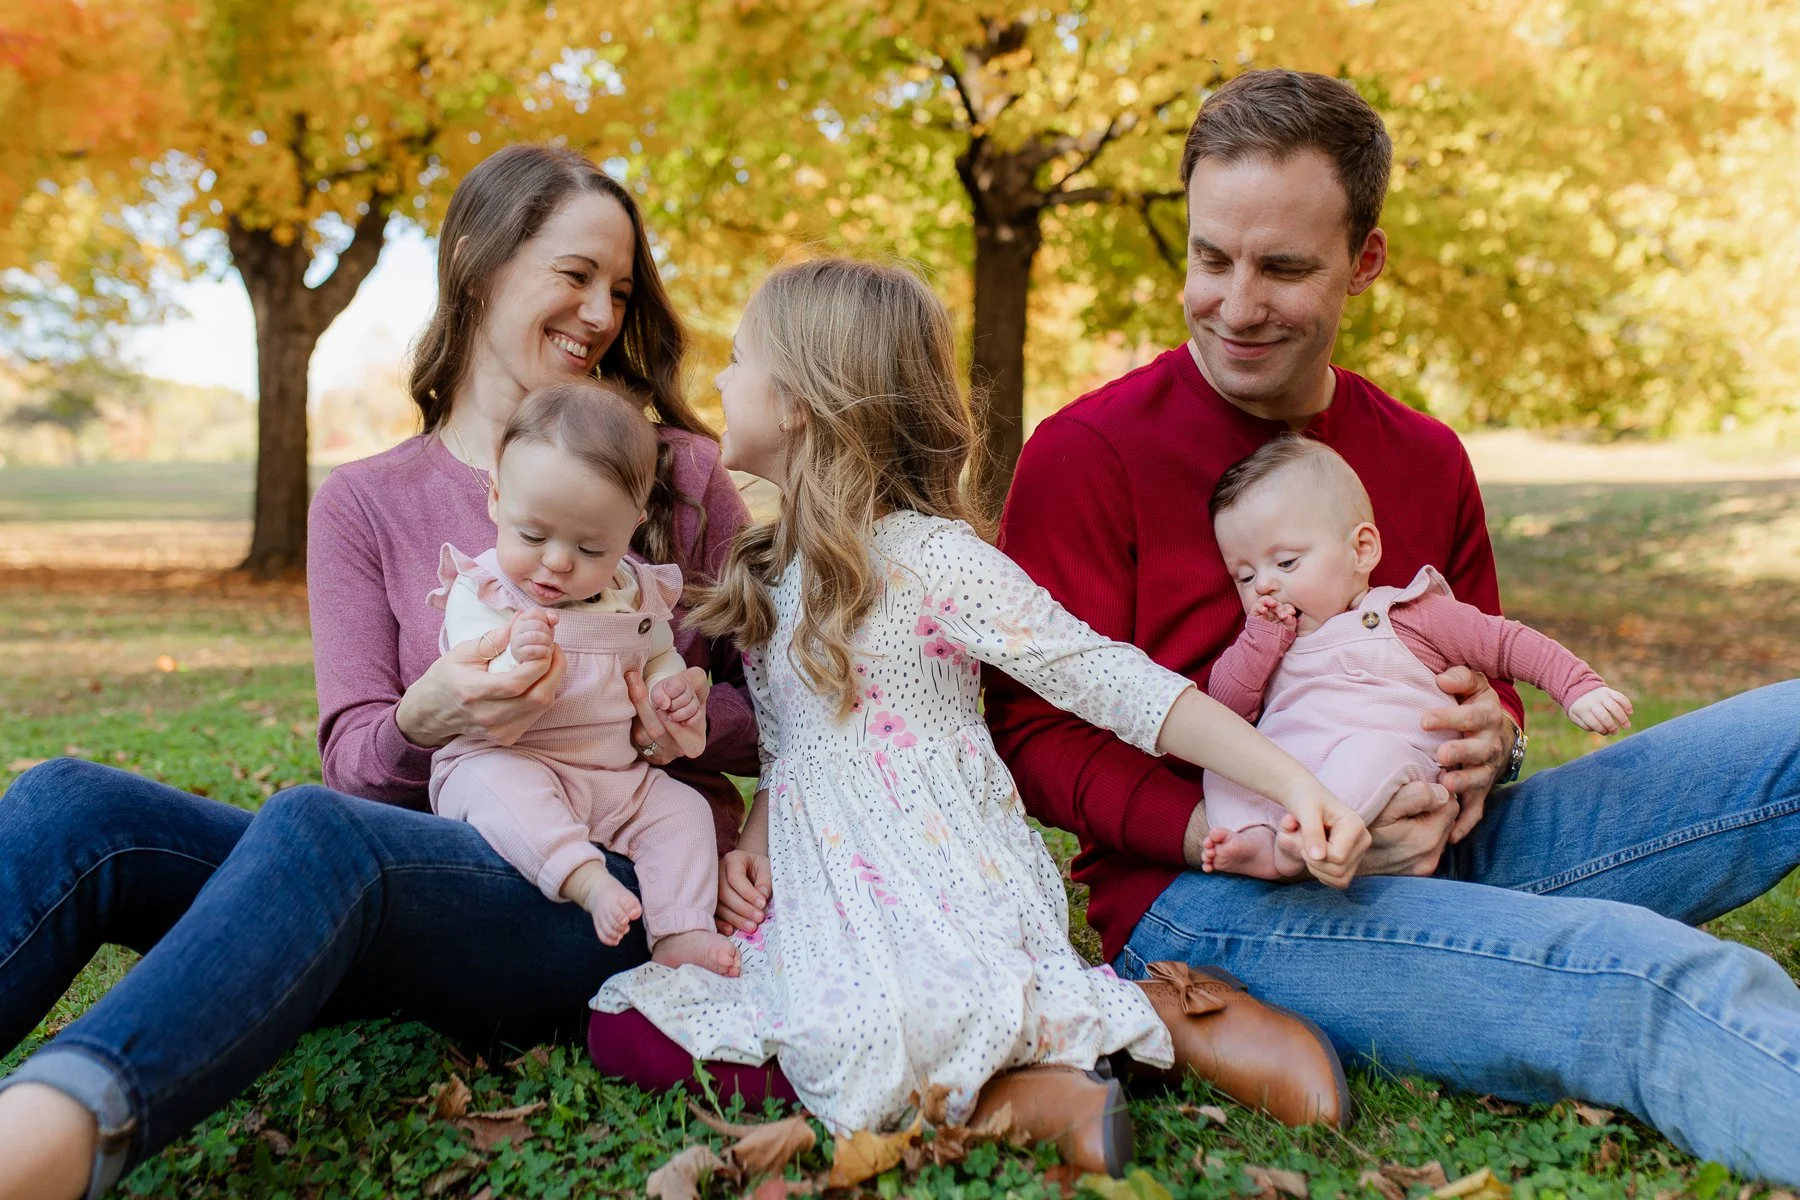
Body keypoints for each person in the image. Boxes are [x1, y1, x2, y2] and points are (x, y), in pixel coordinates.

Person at [987, 68, 1800, 1183]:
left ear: (1364, 261)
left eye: (1283, 267)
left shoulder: (1423, 456)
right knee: (1655, 981)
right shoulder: (1088, 455)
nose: (1235, 302)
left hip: (1446, 848)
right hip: (1209, 901)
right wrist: (1261, 836)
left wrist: (1488, 747)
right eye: (1211, 257)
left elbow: (1484, 671)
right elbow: (1031, 735)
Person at [0, 143, 758, 1200]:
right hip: (424, 867)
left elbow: (782, 711)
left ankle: (49, 1140)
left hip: (609, 889)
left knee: (315, 831)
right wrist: (433, 712)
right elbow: (361, 758)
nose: (600, 313)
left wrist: (664, 717)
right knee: (67, 801)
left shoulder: (675, 472)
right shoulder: (365, 501)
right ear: (477, 264)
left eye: (621, 290)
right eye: (574, 275)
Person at [590, 258, 1356, 1178]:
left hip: (937, 862)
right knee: (628, 1025)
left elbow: (1110, 679)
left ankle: (1166, 1016)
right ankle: (1026, 1087)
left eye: (739, 358)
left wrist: (1292, 783)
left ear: (797, 399)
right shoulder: (770, 569)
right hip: (819, 870)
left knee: (902, 1015)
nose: (717, 379)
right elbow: (792, 740)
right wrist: (754, 834)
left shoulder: (935, 559)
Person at [1200, 434, 1633, 880]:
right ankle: (1261, 842)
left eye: (1286, 563)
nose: (1264, 586)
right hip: (1290, 769)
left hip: (1388, 762)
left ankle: (1304, 845)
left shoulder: (1405, 613)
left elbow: (1504, 643)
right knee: (1224, 761)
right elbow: (1227, 705)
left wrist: (1577, 685)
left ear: (1361, 550)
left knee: (1369, 755)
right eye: (1246, 576)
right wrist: (1257, 643)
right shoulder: (1269, 642)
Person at [430, 379, 739, 974]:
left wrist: (668, 687)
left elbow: (655, 653)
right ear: (495, 499)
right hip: (507, 758)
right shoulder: (483, 585)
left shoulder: (632, 590)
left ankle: (680, 931)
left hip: (615, 776)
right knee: (502, 794)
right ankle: (586, 879)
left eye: (592, 547)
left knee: (684, 814)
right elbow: (471, 663)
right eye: (533, 535)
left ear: (632, 528)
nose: (557, 562)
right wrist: (511, 652)